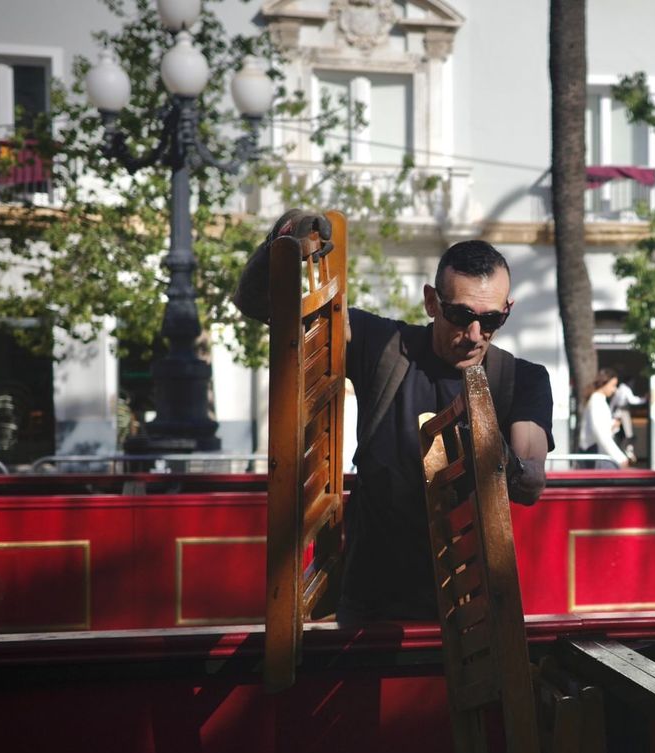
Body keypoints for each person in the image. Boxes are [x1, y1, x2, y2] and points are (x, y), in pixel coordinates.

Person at [234, 212, 552, 625]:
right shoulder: (381, 346)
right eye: (460, 315)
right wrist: (282, 245)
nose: (475, 334)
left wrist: (489, 450)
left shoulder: (520, 379)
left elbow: (530, 483)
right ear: (432, 301)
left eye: (491, 320)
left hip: (472, 614)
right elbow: (258, 302)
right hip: (371, 604)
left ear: (507, 309)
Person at [577, 368, 630, 469]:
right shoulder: (597, 401)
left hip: (594, 452)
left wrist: (612, 425)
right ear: (603, 383)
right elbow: (600, 434)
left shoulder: (597, 400)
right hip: (594, 453)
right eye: (613, 385)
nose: (614, 389)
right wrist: (620, 457)